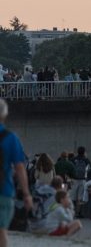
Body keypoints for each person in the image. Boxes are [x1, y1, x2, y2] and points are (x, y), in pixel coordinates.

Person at [0, 99, 32, 247]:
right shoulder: (11, 138)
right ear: (4, 115)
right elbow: (20, 168)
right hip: (4, 191)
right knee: (2, 232)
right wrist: (26, 194)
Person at [71, 146, 91, 217]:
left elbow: (70, 168)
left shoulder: (73, 159)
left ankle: (72, 212)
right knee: (80, 197)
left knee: (73, 197)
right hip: (83, 180)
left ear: (77, 151)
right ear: (84, 152)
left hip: (74, 180)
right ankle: (79, 212)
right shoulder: (86, 160)